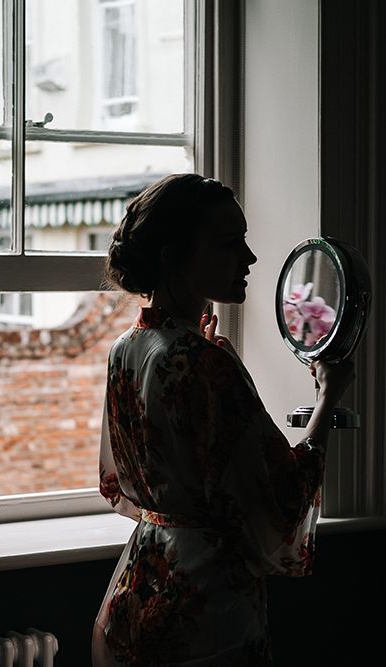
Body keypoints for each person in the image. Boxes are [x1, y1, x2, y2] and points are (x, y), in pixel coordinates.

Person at [91, 173, 355, 666]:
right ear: (175, 258)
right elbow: (278, 500)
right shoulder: (205, 364)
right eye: (230, 244)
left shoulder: (126, 349)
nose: (250, 259)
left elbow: (120, 483)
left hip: (133, 594)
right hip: (205, 617)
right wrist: (327, 398)